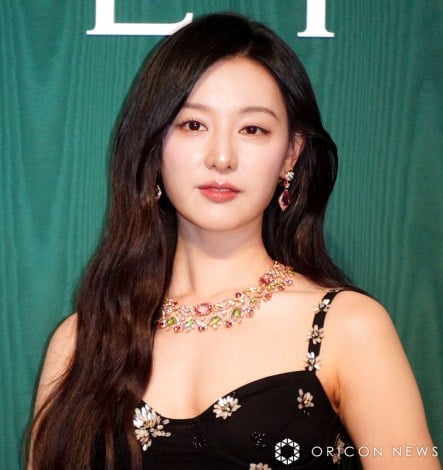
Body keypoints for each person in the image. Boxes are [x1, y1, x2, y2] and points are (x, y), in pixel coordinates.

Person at [28, 12, 439, 470]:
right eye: (193, 125)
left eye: (252, 129)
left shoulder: (347, 328)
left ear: (291, 154)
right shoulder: (80, 343)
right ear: (154, 145)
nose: (221, 157)